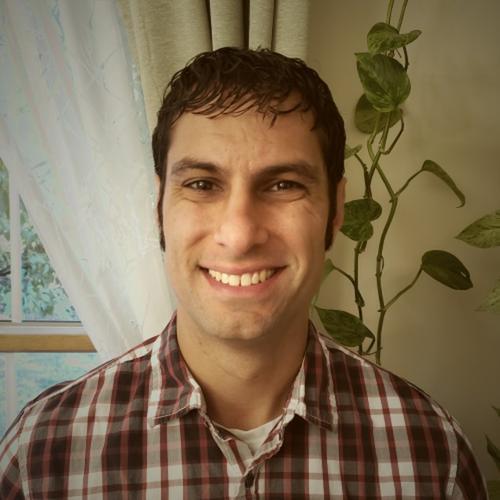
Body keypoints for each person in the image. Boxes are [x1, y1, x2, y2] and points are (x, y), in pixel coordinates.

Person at [0, 47, 486, 499]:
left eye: (283, 184)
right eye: (201, 184)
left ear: (336, 209)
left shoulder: (431, 454)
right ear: (159, 206)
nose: (239, 234)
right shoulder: (41, 454)